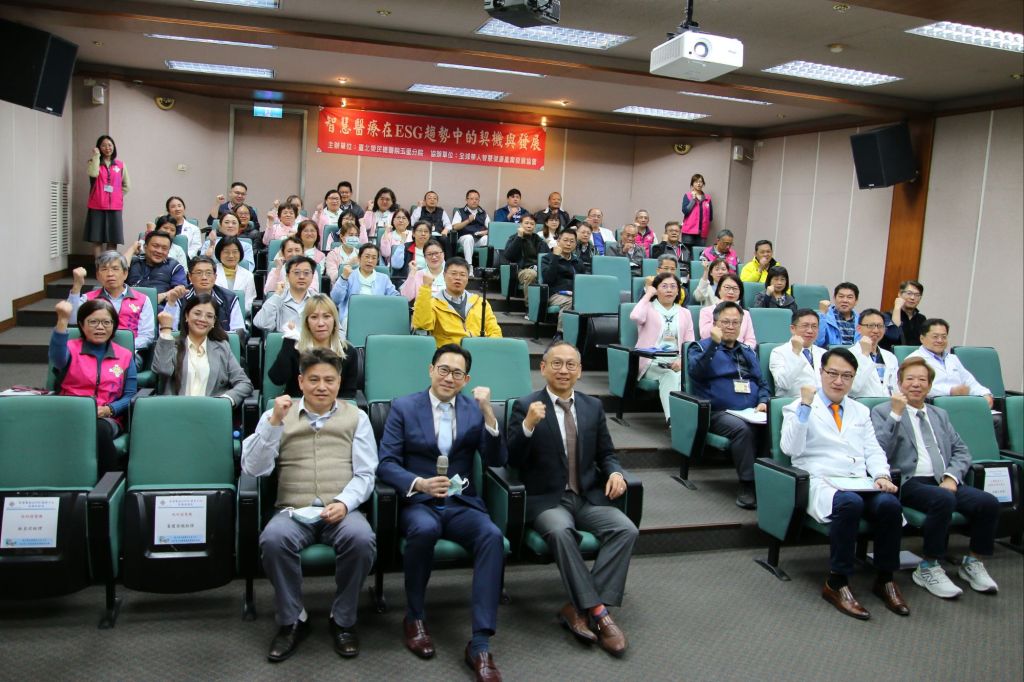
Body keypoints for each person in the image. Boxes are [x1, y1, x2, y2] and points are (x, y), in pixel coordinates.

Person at [375, 344, 506, 680]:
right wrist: (418, 483)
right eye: (444, 370)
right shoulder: (404, 407)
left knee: (491, 536)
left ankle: (480, 643)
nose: (449, 378)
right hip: (420, 502)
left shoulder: (474, 410)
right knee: (424, 530)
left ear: (466, 380)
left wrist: (489, 414)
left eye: (457, 373)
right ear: (431, 370)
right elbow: (386, 463)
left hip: (461, 504)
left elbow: (496, 460)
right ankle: (415, 616)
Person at [241, 348, 377, 661]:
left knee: (361, 540)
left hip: (341, 510)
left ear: (339, 382)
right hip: (292, 510)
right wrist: (274, 423)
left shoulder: (357, 417)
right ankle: (292, 619)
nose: (322, 386)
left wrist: (344, 503)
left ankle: (343, 619)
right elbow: (253, 468)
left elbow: (366, 473)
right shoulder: (277, 414)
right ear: (300, 381)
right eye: (314, 379)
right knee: (273, 540)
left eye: (329, 380)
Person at [507, 342, 638, 657]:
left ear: (580, 371)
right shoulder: (526, 406)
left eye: (570, 365)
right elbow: (511, 459)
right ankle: (599, 612)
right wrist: (528, 426)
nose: (563, 370)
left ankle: (576, 607)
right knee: (560, 531)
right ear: (543, 368)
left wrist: (616, 473)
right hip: (547, 500)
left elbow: (607, 453)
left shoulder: (592, 406)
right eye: (556, 363)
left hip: (587, 496)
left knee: (625, 529)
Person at [780, 348, 908, 620]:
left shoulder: (860, 410)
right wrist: (805, 408)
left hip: (858, 480)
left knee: (889, 505)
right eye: (833, 373)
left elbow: (873, 450)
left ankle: (885, 577)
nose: (839, 381)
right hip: (822, 480)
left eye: (847, 376)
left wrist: (881, 475)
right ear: (821, 372)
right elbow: (790, 449)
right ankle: (837, 582)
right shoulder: (798, 406)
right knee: (849, 503)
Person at [871, 357, 1000, 598]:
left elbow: (962, 451)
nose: (916, 384)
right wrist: (896, 415)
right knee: (943, 499)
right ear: (899, 383)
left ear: (930, 386)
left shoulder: (939, 414)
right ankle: (929, 566)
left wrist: (951, 477)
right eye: (910, 379)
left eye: (922, 380)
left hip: (942, 480)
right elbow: (878, 450)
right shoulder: (883, 411)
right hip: (909, 482)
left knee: (988, 503)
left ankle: (973, 562)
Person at [687, 301, 770, 509]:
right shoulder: (699, 347)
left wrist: (763, 401)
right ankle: (747, 484)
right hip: (717, 412)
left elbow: (762, 383)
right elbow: (696, 373)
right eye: (725, 322)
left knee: (776, 423)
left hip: (751, 411)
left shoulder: (747, 351)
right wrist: (713, 345)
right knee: (742, 429)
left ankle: (770, 483)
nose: (731, 326)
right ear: (715, 324)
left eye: (736, 322)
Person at [50, 298, 136, 473]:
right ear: (82, 325)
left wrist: (109, 409)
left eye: (106, 322)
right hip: (70, 412)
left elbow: (130, 395)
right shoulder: (70, 349)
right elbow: (57, 358)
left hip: (106, 418)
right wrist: (62, 321)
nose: (100, 327)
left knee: (98, 429)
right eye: (93, 322)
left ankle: (109, 479)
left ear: (114, 326)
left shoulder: (125, 355)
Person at [153, 294, 253, 404]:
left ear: (214, 322)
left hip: (210, 411)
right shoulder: (172, 345)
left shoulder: (222, 348)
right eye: (197, 313)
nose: (202, 319)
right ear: (186, 316)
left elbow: (244, 383)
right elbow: (162, 370)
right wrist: (166, 329)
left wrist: (225, 401)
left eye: (209, 316)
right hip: (175, 410)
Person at [631, 273, 694, 423]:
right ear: (656, 289)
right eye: (664, 286)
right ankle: (675, 421)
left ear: (678, 291)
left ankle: (690, 420)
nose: (669, 290)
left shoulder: (685, 313)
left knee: (683, 375)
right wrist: (648, 294)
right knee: (670, 375)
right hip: (651, 362)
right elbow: (635, 316)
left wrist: (681, 360)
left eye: (673, 287)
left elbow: (689, 342)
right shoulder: (647, 308)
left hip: (676, 361)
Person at [67, 252, 155, 361]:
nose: (110, 274)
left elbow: (147, 336)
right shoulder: (89, 299)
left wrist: (124, 347)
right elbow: (72, 319)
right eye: (104, 269)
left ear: (125, 273)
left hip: (129, 352)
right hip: (94, 350)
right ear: (98, 276)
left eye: (115, 269)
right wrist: (77, 286)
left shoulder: (143, 300)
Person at [268, 294, 358, 400]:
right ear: (307, 322)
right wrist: (288, 340)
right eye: (314, 317)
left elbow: (348, 394)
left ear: (335, 321)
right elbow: (277, 379)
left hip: (335, 408)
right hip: (298, 407)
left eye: (326, 316)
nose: (321, 323)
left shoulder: (348, 352)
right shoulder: (295, 347)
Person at [412, 258, 501, 347]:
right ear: (444, 275)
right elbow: (422, 324)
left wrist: (488, 349)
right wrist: (426, 287)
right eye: (453, 273)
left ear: (467, 278)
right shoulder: (434, 303)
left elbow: (495, 332)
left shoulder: (480, 302)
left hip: (477, 350)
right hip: (448, 352)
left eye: (462, 274)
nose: (458, 278)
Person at [908, 319, 994, 407]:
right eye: (935, 336)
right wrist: (951, 391)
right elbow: (917, 387)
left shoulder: (952, 358)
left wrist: (985, 394)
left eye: (944, 337)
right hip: (932, 406)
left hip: (960, 405)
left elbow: (969, 382)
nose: (940, 340)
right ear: (922, 338)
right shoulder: (915, 359)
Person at [163, 256, 246, 337]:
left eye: (209, 273)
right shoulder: (180, 297)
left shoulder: (229, 298)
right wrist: (171, 302)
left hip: (219, 343)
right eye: (199, 273)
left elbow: (237, 332)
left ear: (215, 277)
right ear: (190, 277)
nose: (204, 277)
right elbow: (168, 330)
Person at [330, 243, 401, 336]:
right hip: (352, 316)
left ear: (377, 260)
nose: (370, 261)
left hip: (378, 316)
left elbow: (395, 298)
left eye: (374, 258)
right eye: (367, 257)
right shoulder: (349, 276)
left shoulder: (384, 278)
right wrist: (343, 278)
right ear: (359, 258)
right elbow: (335, 299)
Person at [84, 135, 130, 258]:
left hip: (115, 207)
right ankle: (99, 266)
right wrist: (96, 156)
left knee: (113, 239)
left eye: (109, 145)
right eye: (103, 145)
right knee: (97, 239)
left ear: (114, 146)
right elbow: (93, 173)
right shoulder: (93, 162)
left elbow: (127, 185)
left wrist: (117, 196)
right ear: (99, 148)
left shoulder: (120, 165)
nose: (107, 148)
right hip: (97, 206)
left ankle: (110, 264)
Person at [770, 308, 826, 398]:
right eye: (805, 326)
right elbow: (784, 383)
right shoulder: (778, 352)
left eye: (814, 326)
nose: (810, 331)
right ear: (793, 329)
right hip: (794, 403)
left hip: (821, 403)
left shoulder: (823, 353)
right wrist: (795, 353)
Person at [254, 256, 318, 333]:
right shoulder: (278, 299)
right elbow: (262, 323)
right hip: (283, 340)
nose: (301, 277)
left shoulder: (319, 301)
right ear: (287, 276)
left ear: (312, 277)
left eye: (306, 273)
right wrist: (277, 295)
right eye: (296, 272)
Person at [848, 308, 899, 398]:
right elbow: (854, 388)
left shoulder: (890, 356)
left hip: (888, 403)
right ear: (859, 328)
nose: (876, 330)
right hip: (861, 403)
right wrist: (864, 355)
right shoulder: (849, 354)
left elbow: (896, 388)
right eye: (870, 326)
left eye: (880, 326)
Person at [126, 230, 187, 306]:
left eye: (164, 248)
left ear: (168, 251)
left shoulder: (174, 266)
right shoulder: (133, 262)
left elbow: (179, 293)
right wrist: (132, 249)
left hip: (159, 308)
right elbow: (118, 271)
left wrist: (162, 296)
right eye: (155, 246)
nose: (159, 251)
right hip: (129, 306)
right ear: (145, 247)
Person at [544, 229, 586, 335]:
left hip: (575, 294)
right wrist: (555, 257)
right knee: (571, 302)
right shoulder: (547, 258)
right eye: (565, 240)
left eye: (572, 241)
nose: (568, 244)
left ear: (575, 244)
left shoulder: (578, 261)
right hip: (555, 294)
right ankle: (561, 334)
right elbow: (548, 279)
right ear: (558, 241)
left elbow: (583, 282)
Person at [698, 275, 756, 349]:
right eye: (727, 287)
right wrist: (719, 313)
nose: (731, 292)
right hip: (714, 350)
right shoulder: (706, 311)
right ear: (719, 290)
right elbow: (704, 335)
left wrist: (740, 351)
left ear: (740, 293)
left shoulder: (745, 314)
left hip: (738, 352)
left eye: (735, 289)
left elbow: (750, 340)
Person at [502, 214, 549, 290]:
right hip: (521, 270)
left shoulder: (540, 241)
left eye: (532, 224)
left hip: (538, 269)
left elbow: (547, 258)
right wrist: (519, 237)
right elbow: (508, 256)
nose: (529, 226)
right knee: (531, 274)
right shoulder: (513, 239)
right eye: (526, 223)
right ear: (520, 225)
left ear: (535, 226)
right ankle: (530, 298)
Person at [450, 189, 490, 275]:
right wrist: (468, 220)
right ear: (466, 200)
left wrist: (486, 232)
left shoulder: (483, 213)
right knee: (469, 238)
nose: (474, 201)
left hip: (478, 239)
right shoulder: (460, 211)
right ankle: (469, 267)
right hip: (464, 239)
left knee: (487, 238)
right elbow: (455, 227)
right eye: (471, 199)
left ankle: (484, 269)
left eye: (476, 199)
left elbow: (491, 228)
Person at [123, 217, 188, 268]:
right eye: (165, 228)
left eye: (172, 230)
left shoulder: (178, 250)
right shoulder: (142, 244)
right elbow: (123, 266)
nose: (168, 231)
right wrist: (132, 249)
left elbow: (184, 272)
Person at [881, 280, 927, 352]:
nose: (912, 297)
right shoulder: (885, 316)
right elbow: (894, 335)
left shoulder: (922, 319)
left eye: (917, 295)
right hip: (892, 356)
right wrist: (897, 308)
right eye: (909, 293)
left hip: (915, 357)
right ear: (899, 294)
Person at [215, 236, 257, 315]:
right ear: (219, 253)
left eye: (235, 252)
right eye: (226, 252)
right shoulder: (211, 272)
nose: (231, 256)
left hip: (240, 316)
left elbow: (249, 303)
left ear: (240, 253)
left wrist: (235, 314)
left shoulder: (248, 275)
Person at [816, 282, 860, 348]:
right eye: (841, 296)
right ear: (834, 298)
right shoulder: (823, 317)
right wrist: (822, 315)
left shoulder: (861, 320)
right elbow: (817, 343)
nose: (845, 300)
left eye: (849, 297)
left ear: (856, 301)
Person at [325, 219, 363, 286]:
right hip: (339, 287)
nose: (354, 238)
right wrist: (349, 264)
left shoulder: (361, 254)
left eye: (356, 235)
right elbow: (333, 277)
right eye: (351, 235)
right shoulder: (333, 254)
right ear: (341, 236)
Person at [680, 173, 712, 249]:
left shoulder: (708, 198)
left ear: (703, 184)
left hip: (702, 233)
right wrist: (693, 199)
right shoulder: (688, 195)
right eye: (696, 182)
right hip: (689, 231)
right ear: (692, 184)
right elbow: (685, 211)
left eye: (700, 181)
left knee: (699, 254)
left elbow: (710, 216)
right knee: (686, 253)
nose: (698, 184)